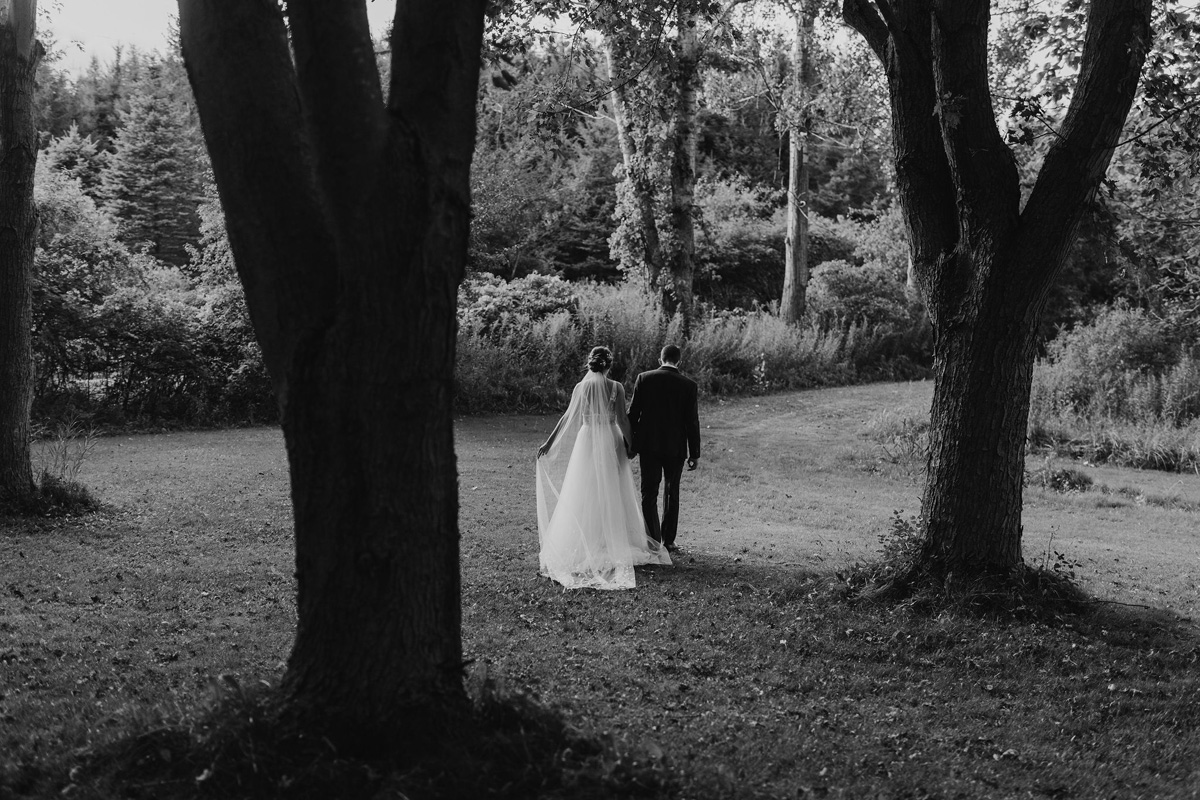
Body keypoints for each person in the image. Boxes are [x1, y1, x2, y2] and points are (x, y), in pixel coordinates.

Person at [535, 346, 671, 589]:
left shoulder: (580, 387)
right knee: (613, 487)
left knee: (585, 488)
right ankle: (612, 539)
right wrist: (631, 444)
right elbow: (622, 419)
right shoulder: (616, 387)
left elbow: (567, 417)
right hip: (610, 439)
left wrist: (549, 442)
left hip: (586, 439)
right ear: (609, 365)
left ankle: (588, 539)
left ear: (590, 364)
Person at [627, 344, 700, 553]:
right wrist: (695, 453)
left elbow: (633, 414)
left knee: (648, 492)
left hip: (649, 445)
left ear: (660, 359)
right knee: (671, 491)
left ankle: (652, 540)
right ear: (679, 361)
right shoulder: (689, 385)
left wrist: (630, 443)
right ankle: (668, 541)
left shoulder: (644, 378)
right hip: (675, 448)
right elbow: (692, 422)